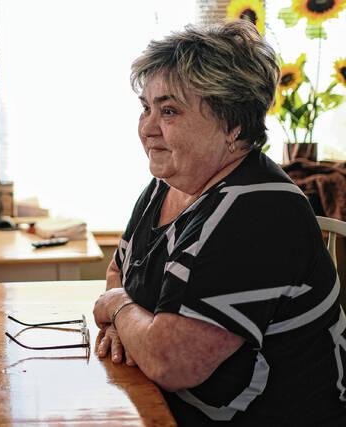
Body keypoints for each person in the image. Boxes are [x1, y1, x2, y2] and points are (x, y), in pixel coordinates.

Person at [93, 20, 346, 425]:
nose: (147, 128)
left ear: (233, 125)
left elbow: (172, 362)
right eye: (146, 108)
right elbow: (119, 270)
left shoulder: (260, 211)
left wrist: (117, 308)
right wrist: (126, 327)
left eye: (169, 111)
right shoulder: (166, 186)